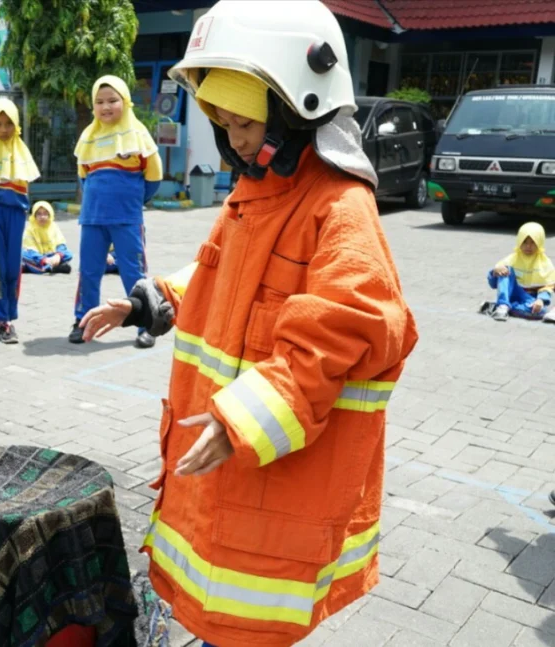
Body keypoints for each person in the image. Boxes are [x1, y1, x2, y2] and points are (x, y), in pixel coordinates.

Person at [79, 2, 419, 645]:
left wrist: (245, 419)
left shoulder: (340, 207)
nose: (234, 139)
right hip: (226, 473)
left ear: (298, 107)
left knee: (252, 623)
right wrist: (150, 301)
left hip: (276, 482)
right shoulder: (254, 190)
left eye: (245, 122)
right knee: (217, 613)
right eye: (222, 123)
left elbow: (348, 327)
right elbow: (220, 276)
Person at [70, 75, 162, 349]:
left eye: (112, 100)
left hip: (127, 219)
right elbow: (84, 177)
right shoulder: (88, 136)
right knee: (88, 271)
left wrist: (132, 202)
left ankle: (147, 324)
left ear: (125, 101)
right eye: (99, 102)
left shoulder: (138, 134)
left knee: (134, 273)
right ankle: (82, 321)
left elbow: (154, 177)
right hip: (92, 219)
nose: (105, 107)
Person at [0, 98, 40, 344]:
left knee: (14, 268)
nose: (4, 129)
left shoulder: (21, 152)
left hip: (16, 215)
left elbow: (24, 190)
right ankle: (3, 320)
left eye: (9, 124)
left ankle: (3, 316)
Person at [485, 222, 555, 322]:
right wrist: (495, 271)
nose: (528, 246)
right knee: (506, 269)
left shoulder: (544, 263)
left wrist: (540, 300)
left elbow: (548, 287)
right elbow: (493, 284)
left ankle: (497, 307)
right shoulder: (512, 259)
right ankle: (503, 305)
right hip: (513, 292)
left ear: (539, 242)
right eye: (525, 242)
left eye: (533, 242)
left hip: (529, 299)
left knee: (540, 312)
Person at [22, 201, 73, 275]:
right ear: (34, 215)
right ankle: (48, 268)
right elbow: (30, 249)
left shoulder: (54, 227)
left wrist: (58, 256)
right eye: (39, 214)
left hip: (52, 256)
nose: (42, 217)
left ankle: (47, 267)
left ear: (50, 215)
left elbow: (61, 243)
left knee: (68, 253)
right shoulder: (30, 229)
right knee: (22, 254)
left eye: (45, 214)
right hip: (38, 258)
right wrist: (43, 259)